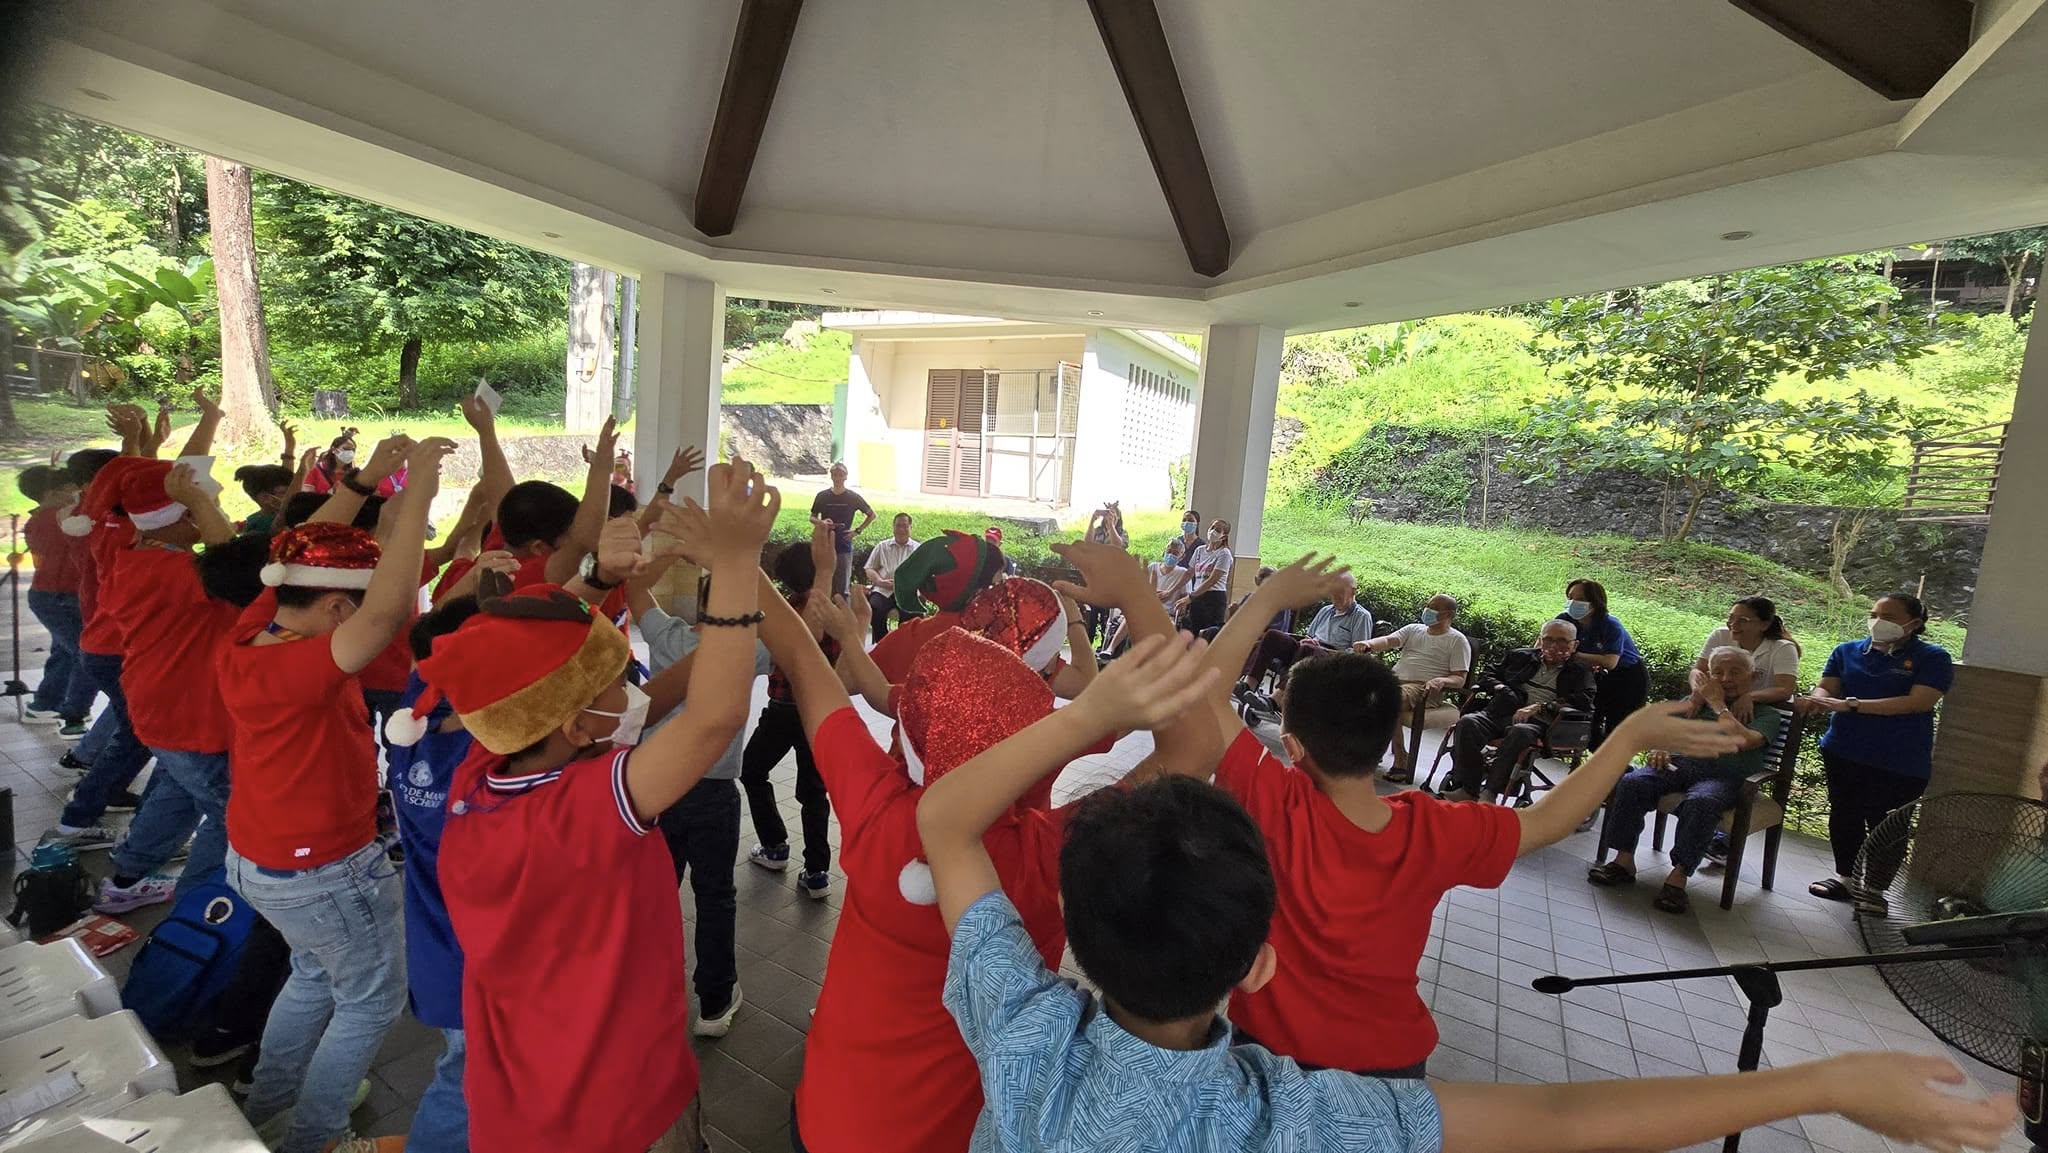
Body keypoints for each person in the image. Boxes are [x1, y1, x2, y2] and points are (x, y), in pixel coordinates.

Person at [916, 605, 2011, 1153]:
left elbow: (947, 819)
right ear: (1257, 957)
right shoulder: (1304, 1117)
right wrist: (1814, 1085)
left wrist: (1092, 709)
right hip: (1388, 1055)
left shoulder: (1019, 1038)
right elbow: (1550, 1114)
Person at [1183, 557, 1747, 1076]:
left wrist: (1267, 597)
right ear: (1385, 739)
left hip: (1267, 1051)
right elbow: (1550, 821)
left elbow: (1210, 687)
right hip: (1390, 1063)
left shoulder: (1275, 799)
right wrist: (1628, 738)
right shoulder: (1433, 827)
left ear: (1293, 746)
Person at [785, 538, 1196, 1153]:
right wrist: (1133, 598)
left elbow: (814, 669)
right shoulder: (1046, 856)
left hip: (829, 1117)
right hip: (954, 1132)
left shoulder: (873, 811)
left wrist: (760, 571)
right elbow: (1192, 747)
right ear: (1033, 737)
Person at [426, 459, 771, 1153]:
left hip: (524, 1100)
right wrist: (737, 565)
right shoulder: (584, 810)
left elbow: (661, 689)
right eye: (619, 680)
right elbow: (713, 719)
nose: (633, 689)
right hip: (620, 1108)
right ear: (579, 725)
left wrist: (609, 578)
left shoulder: (484, 764)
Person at [219, 437, 449, 1153]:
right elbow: (382, 615)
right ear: (331, 606)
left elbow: (297, 547)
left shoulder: (252, 629)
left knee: (315, 974)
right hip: (319, 866)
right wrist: (416, 497)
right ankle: (313, 1140)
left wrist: (362, 483)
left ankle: (270, 1108)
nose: (358, 621)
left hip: (260, 857)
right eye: (347, 607)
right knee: (371, 997)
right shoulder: (297, 669)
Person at [631, 550, 772, 1039]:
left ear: (700, 603)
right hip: (713, 793)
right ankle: (714, 1001)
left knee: (655, 894)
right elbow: (796, 634)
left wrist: (669, 551)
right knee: (715, 897)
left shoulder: (668, 636)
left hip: (656, 785)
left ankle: (644, 993)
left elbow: (634, 589)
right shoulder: (750, 651)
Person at [381, 594, 488, 1153]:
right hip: (477, 963)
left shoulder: (413, 714)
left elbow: (434, 650)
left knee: (463, 1063)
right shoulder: (485, 755)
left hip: (437, 949)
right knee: (467, 1077)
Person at [1590, 647, 1781, 914]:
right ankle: (1623, 862)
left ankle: (1678, 877)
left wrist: (1718, 705)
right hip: (1680, 765)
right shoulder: (1693, 703)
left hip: (1724, 776)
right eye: (1718, 672)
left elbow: (1746, 741)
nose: (1726, 678)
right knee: (1633, 782)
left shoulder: (1766, 714)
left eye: (1735, 672)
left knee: (1702, 801)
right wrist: (1660, 747)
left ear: (1753, 677)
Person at [1803, 594, 1953, 904]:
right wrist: (1817, 698)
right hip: (1844, 751)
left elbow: (1919, 702)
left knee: (1888, 826)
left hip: (1899, 761)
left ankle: (1874, 891)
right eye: (1874, 614)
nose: (1877, 621)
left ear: (1914, 623)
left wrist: (1852, 705)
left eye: (1888, 616)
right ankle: (1844, 877)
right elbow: (1827, 686)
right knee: (1845, 815)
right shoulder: (1846, 651)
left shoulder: (1933, 657)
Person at [40, 445, 153, 847]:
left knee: (135, 732)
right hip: (114, 649)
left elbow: (134, 479)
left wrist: (137, 441)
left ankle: (93, 804)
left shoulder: (99, 523)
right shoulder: (122, 532)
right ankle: (81, 817)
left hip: (105, 646)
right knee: (139, 733)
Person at [739, 535, 839, 899]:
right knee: (814, 792)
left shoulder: (786, 610)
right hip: (819, 715)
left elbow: (799, 646)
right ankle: (817, 872)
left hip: (783, 710)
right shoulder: (836, 608)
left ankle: (775, 846)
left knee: (752, 769)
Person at [1440, 619, 1595, 803]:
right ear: (1540, 640)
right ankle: (1468, 788)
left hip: (1543, 723)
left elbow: (1584, 701)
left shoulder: (1580, 672)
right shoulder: (1521, 657)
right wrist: (1501, 688)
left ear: (1574, 645)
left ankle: (1490, 792)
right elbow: (1488, 674)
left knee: (1519, 732)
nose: (1554, 646)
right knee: (1468, 722)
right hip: (1503, 711)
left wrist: (1543, 706)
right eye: (1549, 639)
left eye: (1562, 641)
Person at [1357, 594, 1473, 782]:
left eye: (1434, 607)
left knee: (1388, 699)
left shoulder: (1457, 641)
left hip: (1424, 689)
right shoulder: (1413, 629)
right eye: (1428, 605)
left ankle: (1399, 756)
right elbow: (1389, 640)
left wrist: (1442, 681)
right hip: (1394, 682)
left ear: (1448, 614)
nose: (1428, 610)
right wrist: (1369, 644)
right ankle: (1369, 748)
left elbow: (1460, 679)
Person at [869, 530, 1009, 683]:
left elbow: (850, 677)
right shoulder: (997, 636)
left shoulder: (908, 636)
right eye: (995, 586)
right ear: (977, 592)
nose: (1000, 594)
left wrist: (852, 635)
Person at [17, 463, 95, 736]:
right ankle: (74, 716)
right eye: (68, 488)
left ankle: (44, 705)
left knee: (65, 652)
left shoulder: (40, 517)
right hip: (58, 598)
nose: (75, 491)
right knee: (88, 654)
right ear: (51, 493)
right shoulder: (56, 518)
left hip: (53, 597)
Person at [1236, 570, 1371, 699]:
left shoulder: (1361, 616)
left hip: (1332, 660)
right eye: (1332, 592)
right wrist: (1307, 641)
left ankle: (1276, 699)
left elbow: (1357, 654)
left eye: (1339, 592)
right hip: (1308, 650)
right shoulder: (1325, 610)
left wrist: (1320, 648)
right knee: (1273, 636)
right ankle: (1248, 685)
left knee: (1308, 649)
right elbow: (1309, 636)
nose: (1334, 597)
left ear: (1353, 592)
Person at [1560, 578, 1647, 746]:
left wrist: (1573, 654)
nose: (1572, 603)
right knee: (1587, 725)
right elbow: (1545, 640)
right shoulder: (1565, 619)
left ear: (1594, 603)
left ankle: (1618, 767)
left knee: (1617, 729)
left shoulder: (1610, 625)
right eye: (1570, 597)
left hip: (1628, 678)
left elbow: (1610, 661)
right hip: (1597, 676)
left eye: (1580, 599)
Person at [1692, 595, 1800, 718]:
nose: (1733, 624)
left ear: (1764, 625)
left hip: (1761, 712)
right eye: (1731, 618)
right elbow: (1698, 670)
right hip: (1719, 703)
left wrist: (1749, 697)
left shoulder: (1783, 648)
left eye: (1743, 620)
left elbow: (1784, 689)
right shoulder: (1720, 635)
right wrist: (1698, 690)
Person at [810, 461, 874, 596]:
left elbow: (871, 515)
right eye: (835, 475)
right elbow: (812, 517)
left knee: (843, 588)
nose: (838, 478)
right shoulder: (822, 496)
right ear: (831, 476)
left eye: (840, 475)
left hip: (843, 543)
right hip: (824, 542)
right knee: (821, 583)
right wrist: (822, 523)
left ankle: (843, 615)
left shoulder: (852, 497)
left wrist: (857, 531)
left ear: (846, 477)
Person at [862, 512, 920, 643]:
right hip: (884, 589)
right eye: (898, 525)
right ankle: (882, 643)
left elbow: (924, 573)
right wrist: (879, 581)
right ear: (893, 527)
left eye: (905, 526)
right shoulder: (882, 546)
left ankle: (903, 645)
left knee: (913, 612)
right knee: (874, 608)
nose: (901, 529)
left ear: (911, 527)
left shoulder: (918, 549)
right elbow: (869, 568)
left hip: (908, 592)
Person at [1176, 517, 1235, 634]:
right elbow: (1189, 573)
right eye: (1212, 527)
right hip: (1197, 596)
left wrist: (1190, 597)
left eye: (1218, 530)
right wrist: (1173, 590)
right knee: (1193, 631)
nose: (1213, 531)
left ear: (1224, 536)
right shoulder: (1200, 550)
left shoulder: (1224, 554)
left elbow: (1212, 580)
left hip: (1213, 597)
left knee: (1208, 634)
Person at [235, 463, 296, 536]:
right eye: (285, 492)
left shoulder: (257, 518)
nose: (294, 494)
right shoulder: (261, 524)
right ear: (265, 498)